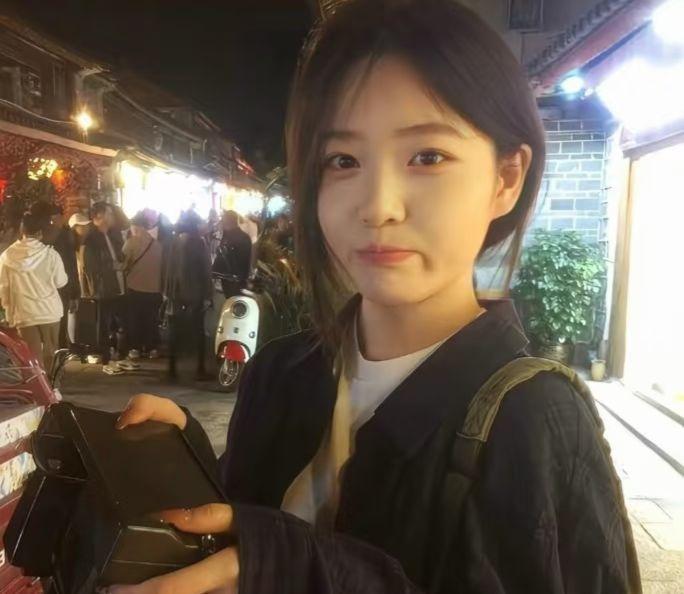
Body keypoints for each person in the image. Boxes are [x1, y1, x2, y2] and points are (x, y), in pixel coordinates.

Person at [114, 2, 641, 593]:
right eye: (343, 161)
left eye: (427, 157)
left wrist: (301, 571)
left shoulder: (537, 421)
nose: (378, 206)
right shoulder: (280, 374)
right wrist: (190, 478)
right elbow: (248, 542)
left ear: (506, 178)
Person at [0, 212, 67, 372]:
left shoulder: (7, 256)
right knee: (51, 350)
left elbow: (3, 286)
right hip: (49, 310)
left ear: (22, 231)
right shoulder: (51, 255)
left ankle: (37, 382)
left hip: (23, 312)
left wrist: (8, 312)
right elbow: (61, 281)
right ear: (40, 233)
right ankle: (53, 383)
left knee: (31, 355)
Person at [164, 210, 212, 381]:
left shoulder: (174, 241)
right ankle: (200, 368)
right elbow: (205, 269)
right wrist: (208, 294)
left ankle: (172, 369)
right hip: (195, 292)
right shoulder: (199, 242)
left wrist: (167, 291)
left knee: (174, 331)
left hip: (176, 292)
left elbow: (168, 267)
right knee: (198, 331)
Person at [83, 201, 128, 375]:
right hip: (104, 289)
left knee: (122, 323)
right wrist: (112, 266)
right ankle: (106, 359)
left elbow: (120, 255)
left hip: (119, 284)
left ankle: (121, 356)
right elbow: (91, 267)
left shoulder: (113, 234)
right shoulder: (91, 239)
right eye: (109, 213)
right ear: (99, 216)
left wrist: (122, 262)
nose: (112, 216)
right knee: (105, 325)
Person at [30, 201, 80, 347]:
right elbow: (70, 266)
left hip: (35, 292)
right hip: (59, 290)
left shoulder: (29, 236)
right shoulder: (61, 234)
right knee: (59, 331)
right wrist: (74, 294)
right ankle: (59, 356)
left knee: (39, 335)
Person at [122, 212, 163, 360]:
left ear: (136, 227)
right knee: (151, 320)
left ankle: (135, 348)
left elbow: (122, 264)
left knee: (135, 320)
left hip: (135, 287)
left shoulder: (131, 243)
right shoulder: (157, 245)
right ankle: (152, 348)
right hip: (154, 289)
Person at [212, 210, 252, 298]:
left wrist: (214, 271)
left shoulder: (230, 237)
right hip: (239, 279)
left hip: (232, 280)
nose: (222, 223)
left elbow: (223, 257)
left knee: (232, 300)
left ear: (228, 222)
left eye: (223, 220)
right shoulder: (244, 237)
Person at [68, 212, 92, 297]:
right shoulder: (70, 249)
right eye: (82, 225)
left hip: (91, 290)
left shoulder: (90, 243)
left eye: (87, 225)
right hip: (79, 292)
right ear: (74, 228)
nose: (86, 227)